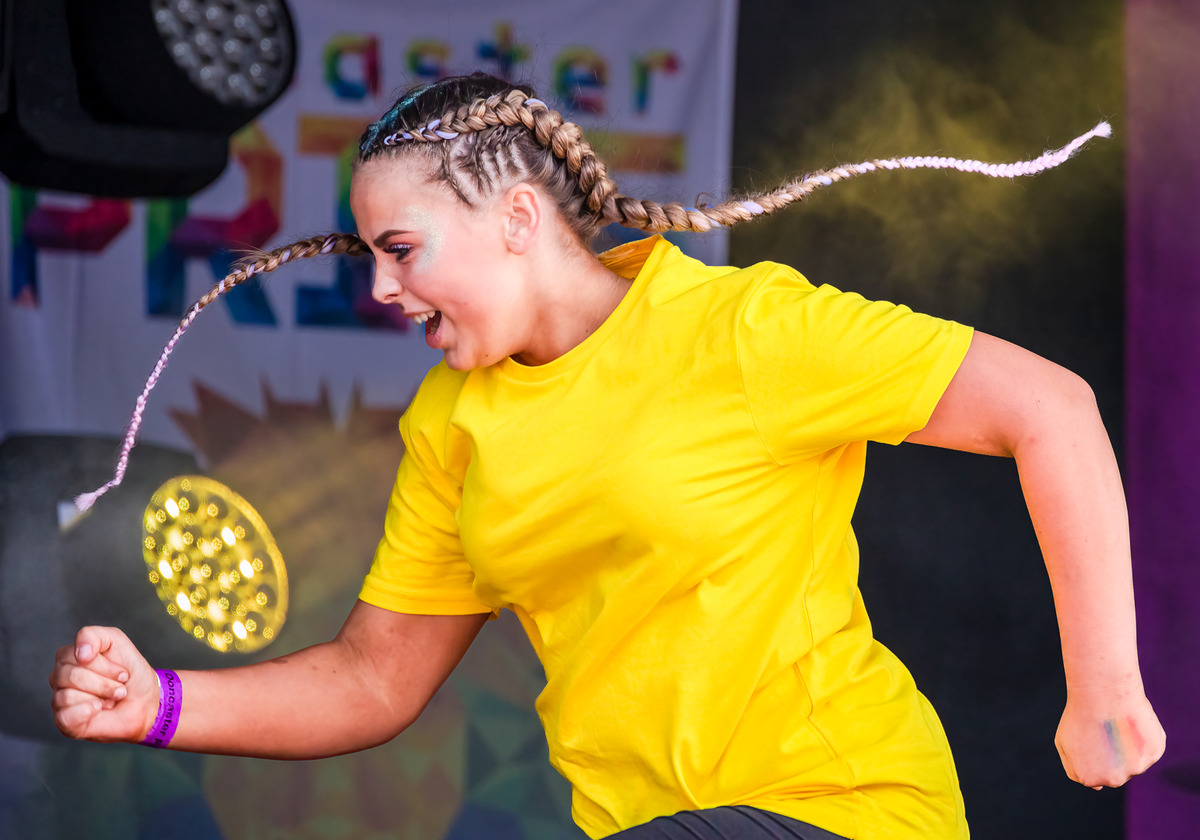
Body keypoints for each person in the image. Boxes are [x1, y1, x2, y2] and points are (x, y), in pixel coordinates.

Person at [49, 73, 1163, 839]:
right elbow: (374, 679)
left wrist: (1105, 691)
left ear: (517, 219)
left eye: (401, 250)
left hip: (843, 808)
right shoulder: (452, 424)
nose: (382, 287)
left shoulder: (741, 333)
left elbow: (1049, 408)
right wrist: (158, 704)